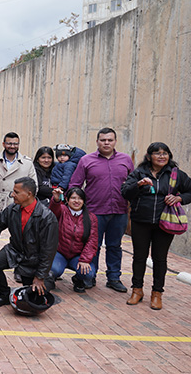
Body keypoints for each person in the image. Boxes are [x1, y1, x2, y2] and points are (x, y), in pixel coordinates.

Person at [121, 142, 191, 310]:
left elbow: (190, 191)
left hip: (165, 223)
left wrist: (180, 198)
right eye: (157, 153)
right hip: (140, 222)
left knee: (160, 259)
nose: (161, 156)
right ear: (149, 156)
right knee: (139, 257)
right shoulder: (139, 173)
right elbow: (125, 192)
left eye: (165, 153)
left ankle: (157, 293)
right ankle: (137, 290)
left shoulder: (176, 175)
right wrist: (138, 185)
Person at [68, 127, 134, 292]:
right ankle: (91, 276)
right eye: (103, 140)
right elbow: (75, 184)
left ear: (115, 142)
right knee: (93, 246)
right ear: (97, 141)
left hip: (119, 211)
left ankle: (114, 278)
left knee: (114, 245)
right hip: (94, 212)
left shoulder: (125, 160)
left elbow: (134, 184)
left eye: (110, 140)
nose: (106, 143)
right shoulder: (86, 160)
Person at [0, 177, 59, 307]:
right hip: (14, 250)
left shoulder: (47, 217)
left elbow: (48, 251)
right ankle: (4, 295)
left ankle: (46, 280)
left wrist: (40, 277)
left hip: (35, 258)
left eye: (16, 192)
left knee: (33, 298)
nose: (12, 194)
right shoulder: (13, 209)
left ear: (29, 194)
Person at [0, 132, 38, 243]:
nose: (12, 146)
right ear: (3, 144)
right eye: (9, 143)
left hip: (19, 207)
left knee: (21, 241)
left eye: (15, 144)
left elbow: (34, 186)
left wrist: (25, 203)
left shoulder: (27, 163)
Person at [48, 187, 99, 293]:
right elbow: (52, 211)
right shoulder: (62, 210)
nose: (77, 201)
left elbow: (92, 240)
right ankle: (49, 279)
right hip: (60, 252)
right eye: (73, 198)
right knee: (54, 270)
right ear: (67, 199)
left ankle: (78, 280)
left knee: (88, 273)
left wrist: (85, 259)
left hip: (77, 255)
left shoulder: (91, 218)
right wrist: (56, 200)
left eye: (80, 198)